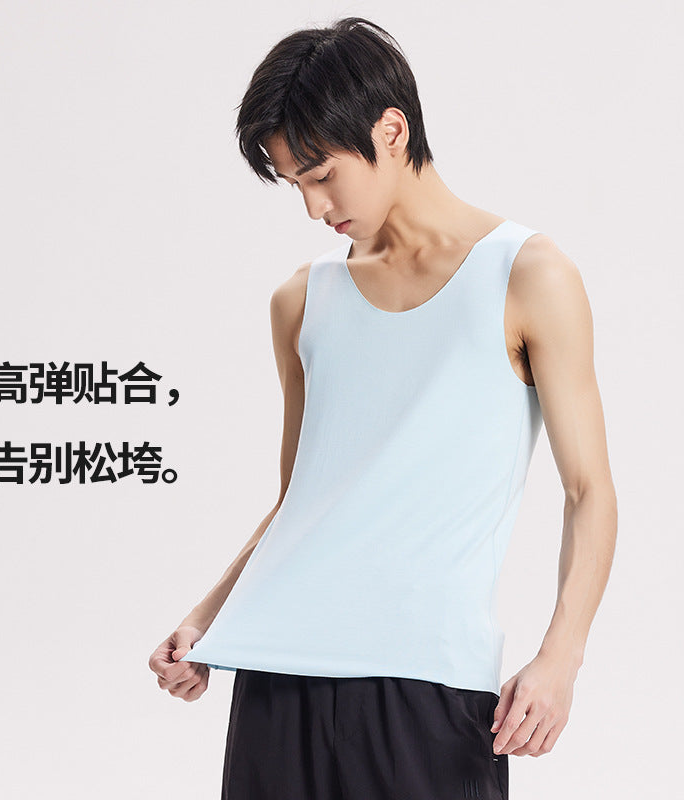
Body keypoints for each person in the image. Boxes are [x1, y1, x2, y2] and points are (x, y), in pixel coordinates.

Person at [148, 16, 617, 800]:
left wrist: (560, 657)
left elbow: (589, 490)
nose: (312, 206)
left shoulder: (528, 275)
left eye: (321, 175)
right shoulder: (303, 301)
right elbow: (301, 500)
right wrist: (208, 617)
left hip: (429, 684)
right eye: (294, 184)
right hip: (277, 677)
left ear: (391, 131)